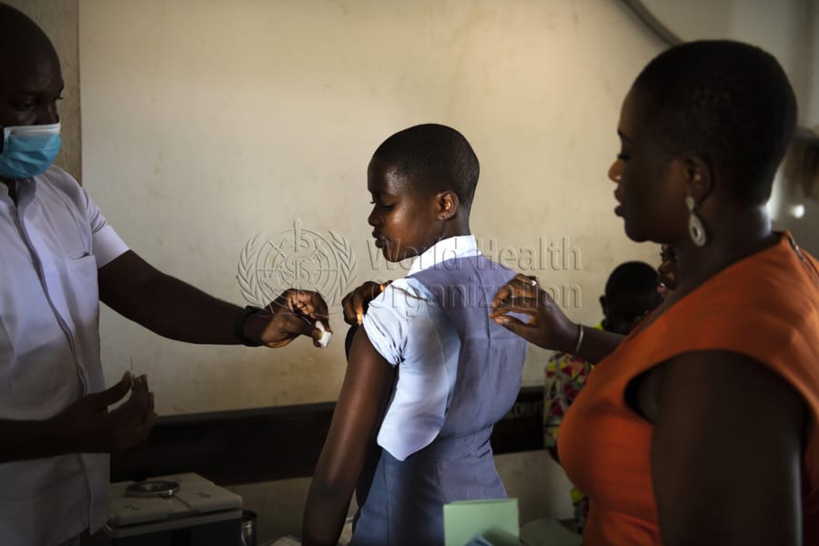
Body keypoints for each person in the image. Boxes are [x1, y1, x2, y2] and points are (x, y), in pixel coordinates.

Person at [0, 5, 330, 546]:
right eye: (25, 103)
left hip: (80, 520)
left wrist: (252, 325)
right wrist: (56, 436)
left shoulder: (62, 195)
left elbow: (145, 289)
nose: (47, 123)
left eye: (54, 100)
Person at [490, 40, 819, 545]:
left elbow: (695, 377)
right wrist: (574, 337)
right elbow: (664, 373)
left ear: (692, 176)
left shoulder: (724, 368)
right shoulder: (781, 270)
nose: (615, 172)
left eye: (627, 151)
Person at [302, 124, 528, 546]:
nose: (372, 218)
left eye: (385, 204)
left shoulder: (398, 306)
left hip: (409, 518)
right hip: (487, 513)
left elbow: (335, 478)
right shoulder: (515, 291)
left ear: (444, 203)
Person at [543, 261, 662, 532]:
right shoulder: (568, 364)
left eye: (644, 318)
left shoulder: (665, 357)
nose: (632, 329)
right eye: (624, 318)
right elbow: (556, 441)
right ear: (604, 305)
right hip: (595, 499)